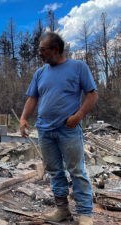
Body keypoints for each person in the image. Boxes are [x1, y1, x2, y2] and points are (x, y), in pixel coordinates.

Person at [19, 32, 98, 225]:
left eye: (42, 50)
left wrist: (78, 116)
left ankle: (85, 215)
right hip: (45, 130)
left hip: (68, 129)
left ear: (55, 50)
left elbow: (92, 94)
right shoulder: (40, 73)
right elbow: (33, 98)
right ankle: (62, 210)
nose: (39, 53)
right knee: (54, 171)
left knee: (77, 171)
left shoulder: (78, 67)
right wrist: (23, 118)